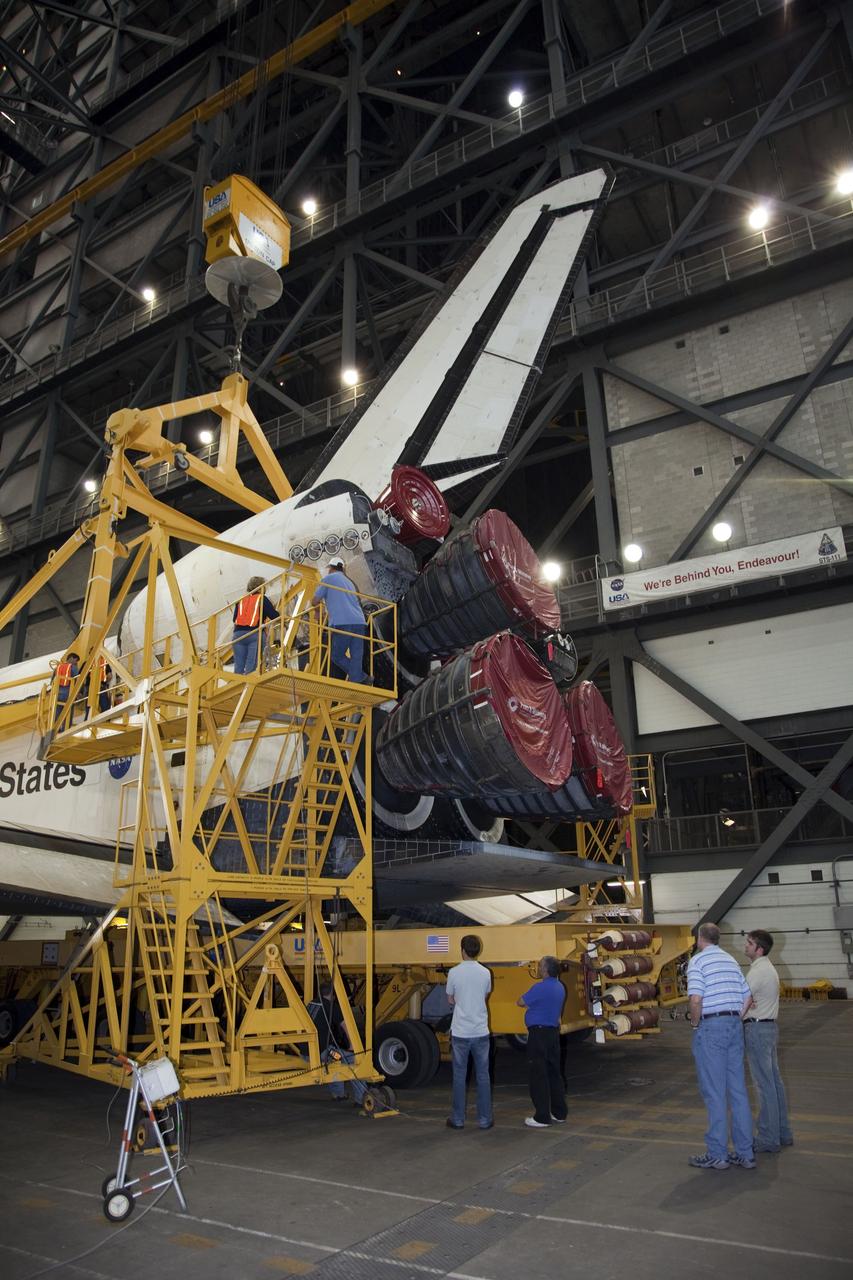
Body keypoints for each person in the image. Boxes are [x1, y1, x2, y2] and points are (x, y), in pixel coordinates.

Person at [687, 922, 755, 1170]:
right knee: (737, 1091)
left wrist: (696, 1024)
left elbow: (696, 999)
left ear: (698, 938)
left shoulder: (698, 961)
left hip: (711, 1028)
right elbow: (748, 996)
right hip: (734, 1027)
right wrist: (736, 1016)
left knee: (715, 1093)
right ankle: (745, 1153)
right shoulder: (730, 960)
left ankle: (718, 1153)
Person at [743, 929, 793, 1153]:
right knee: (774, 1083)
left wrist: (738, 1013)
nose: (746, 946)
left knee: (764, 1085)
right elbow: (750, 998)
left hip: (757, 1029)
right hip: (769, 1027)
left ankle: (767, 1137)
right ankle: (782, 1133)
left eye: (749, 943)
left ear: (759, 949)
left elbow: (741, 1000)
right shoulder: (767, 968)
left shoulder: (758, 971)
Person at [445, 934, 492, 1130]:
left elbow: (450, 999)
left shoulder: (454, 972)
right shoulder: (485, 973)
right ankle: (485, 1119)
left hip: (461, 1032)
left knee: (459, 1076)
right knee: (483, 1076)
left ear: (462, 950)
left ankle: (457, 1119)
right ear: (477, 950)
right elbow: (485, 994)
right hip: (480, 1030)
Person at [516, 955, 568, 1129]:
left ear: (545, 970)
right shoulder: (560, 987)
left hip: (538, 1034)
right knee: (554, 1073)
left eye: (540, 966)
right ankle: (559, 1113)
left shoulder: (540, 987)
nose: (538, 968)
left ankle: (542, 1116)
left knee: (538, 1075)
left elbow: (520, 1001)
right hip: (553, 1033)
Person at [310, 981, 368, 1106]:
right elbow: (345, 1025)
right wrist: (353, 1045)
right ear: (332, 993)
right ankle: (361, 1099)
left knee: (335, 1059)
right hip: (322, 1053)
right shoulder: (331, 1006)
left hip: (305, 1052)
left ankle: (338, 1094)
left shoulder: (311, 1003)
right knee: (352, 1060)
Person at [312, 557, 368, 683]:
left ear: (331, 568)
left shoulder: (328, 579)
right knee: (356, 657)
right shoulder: (350, 583)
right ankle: (358, 680)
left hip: (343, 622)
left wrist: (317, 610)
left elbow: (315, 601)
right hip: (359, 622)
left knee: (337, 656)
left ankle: (361, 677)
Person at [232, 576, 277, 674]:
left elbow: (234, 619)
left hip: (237, 636)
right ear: (262, 586)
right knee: (251, 666)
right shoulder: (262, 598)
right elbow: (274, 615)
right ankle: (248, 684)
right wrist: (284, 618)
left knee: (238, 667)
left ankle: (237, 685)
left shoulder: (241, 600)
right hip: (254, 635)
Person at [53, 651, 80, 724]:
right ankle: (66, 728)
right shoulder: (73, 667)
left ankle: (55, 728)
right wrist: (79, 693)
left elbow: (52, 681)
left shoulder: (58, 667)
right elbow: (78, 681)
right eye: (76, 660)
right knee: (68, 711)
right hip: (68, 693)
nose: (76, 662)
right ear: (71, 658)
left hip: (57, 693)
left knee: (57, 711)